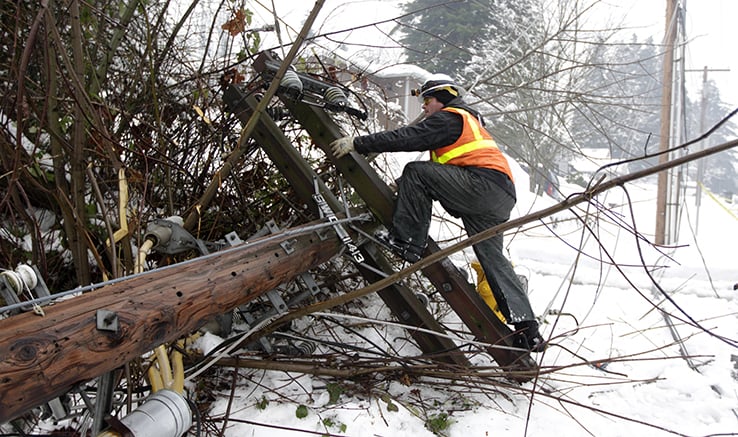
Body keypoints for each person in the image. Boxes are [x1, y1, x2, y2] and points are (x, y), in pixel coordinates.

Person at [329, 74, 545, 352]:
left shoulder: (451, 117)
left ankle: (407, 242)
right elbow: (448, 168)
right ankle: (528, 328)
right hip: (499, 194)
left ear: (443, 99)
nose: (424, 107)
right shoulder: (468, 122)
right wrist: (408, 189)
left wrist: (359, 143)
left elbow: (408, 137)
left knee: (416, 171)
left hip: (482, 186)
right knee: (492, 258)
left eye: (427, 100)